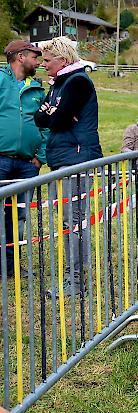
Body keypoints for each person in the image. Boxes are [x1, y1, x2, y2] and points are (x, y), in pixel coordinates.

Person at [34, 36, 102, 294]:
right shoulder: (57, 84)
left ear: (63, 60)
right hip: (62, 157)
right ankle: (74, 277)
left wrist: (55, 114)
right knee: (69, 222)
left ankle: (75, 281)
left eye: (48, 61)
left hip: (77, 158)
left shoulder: (78, 82)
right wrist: (53, 113)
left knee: (73, 222)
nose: (44, 65)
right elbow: (40, 117)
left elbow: (58, 119)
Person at [0, 40, 48, 278]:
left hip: (27, 165)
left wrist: (40, 157)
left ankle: (10, 266)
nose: (38, 62)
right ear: (20, 57)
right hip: (1, 159)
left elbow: (47, 126)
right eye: (35, 57)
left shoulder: (37, 90)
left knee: (17, 215)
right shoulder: (0, 80)